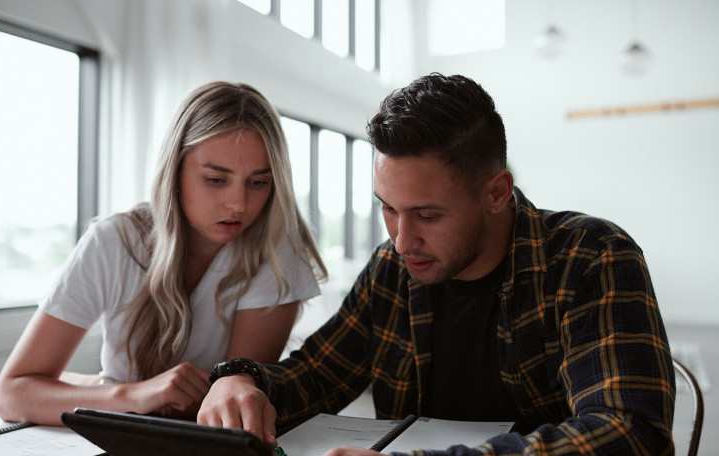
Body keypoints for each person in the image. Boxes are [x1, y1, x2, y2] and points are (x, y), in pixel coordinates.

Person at [196, 73, 676, 455]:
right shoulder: (393, 267)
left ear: (496, 193)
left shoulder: (589, 257)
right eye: (388, 208)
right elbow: (318, 374)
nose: (402, 241)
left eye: (426, 215)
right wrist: (241, 379)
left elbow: (629, 433)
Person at [0, 81, 327, 426]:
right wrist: (132, 394)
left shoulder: (276, 250)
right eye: (216, 179)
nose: (239, 204)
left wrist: (107, 388)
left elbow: (223, 406)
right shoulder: (114, 241)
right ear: (174, 170)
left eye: (258, 182)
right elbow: (12, 395)